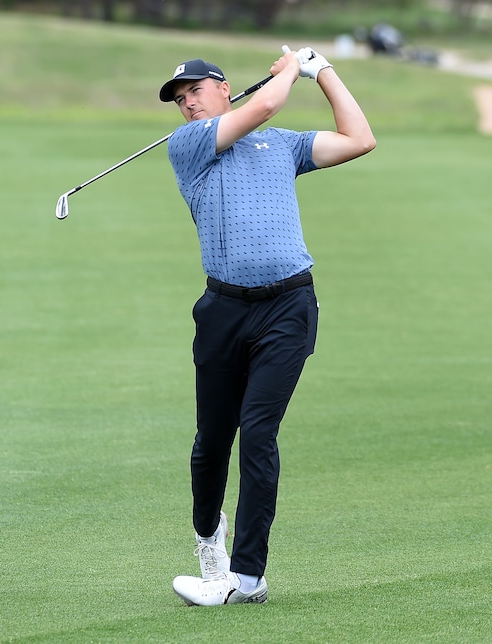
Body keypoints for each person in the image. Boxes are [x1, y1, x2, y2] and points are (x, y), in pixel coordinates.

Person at [158, 46, 376, 606]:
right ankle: (210, 541)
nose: (187, 106)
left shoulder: (281, 146)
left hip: (288, 307)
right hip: (223, 312)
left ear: (223, 86)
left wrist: (323, 70)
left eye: (195, 92)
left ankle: (248, 576)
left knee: (258, 432)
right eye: (180, 101)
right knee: (212, 442)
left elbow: (358, 138)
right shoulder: (188, 147)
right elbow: (261, 109)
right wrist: (287, 73)